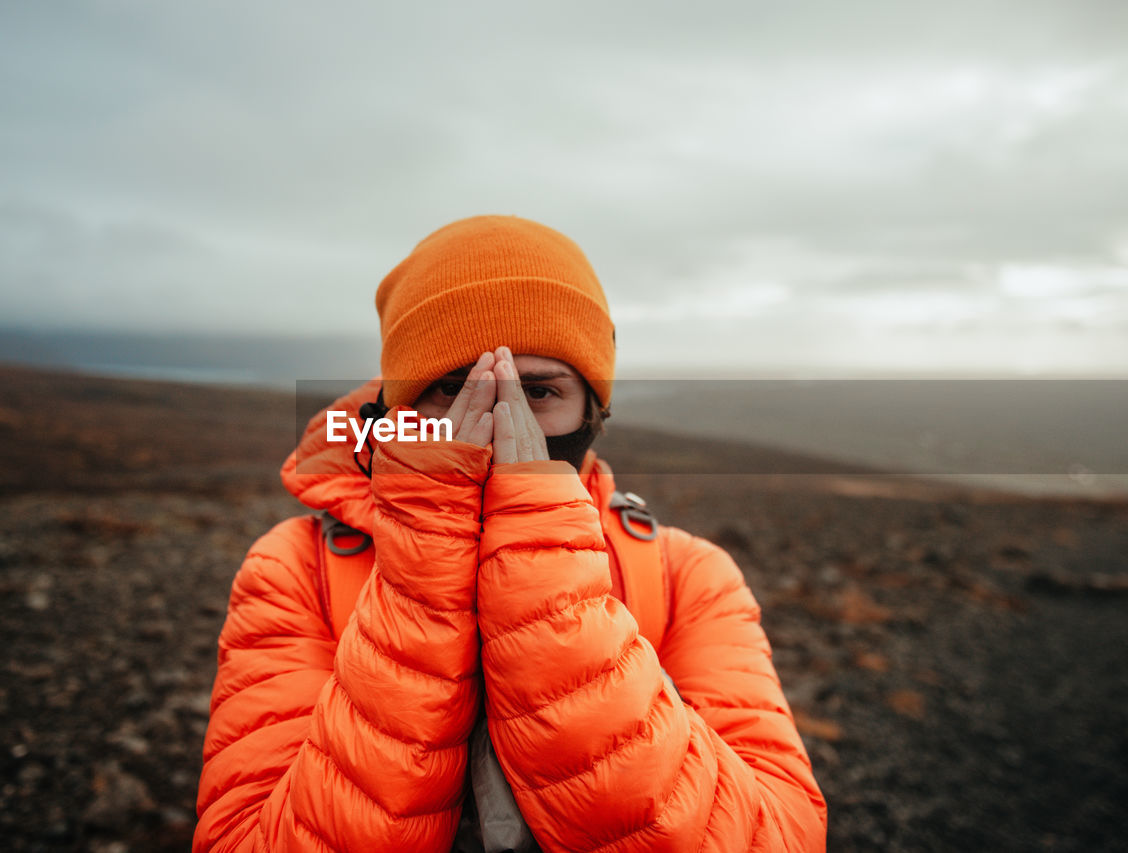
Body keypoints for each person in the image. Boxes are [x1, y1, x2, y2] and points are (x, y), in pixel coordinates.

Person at [193, 215, 827, 851]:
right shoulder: (295, 568)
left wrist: (544, 577)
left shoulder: (689, 575)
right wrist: (424, 563)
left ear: (593, 410)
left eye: (539, 390)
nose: (502, 418)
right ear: (394, 412)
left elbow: (779, 836)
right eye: (454, 387)